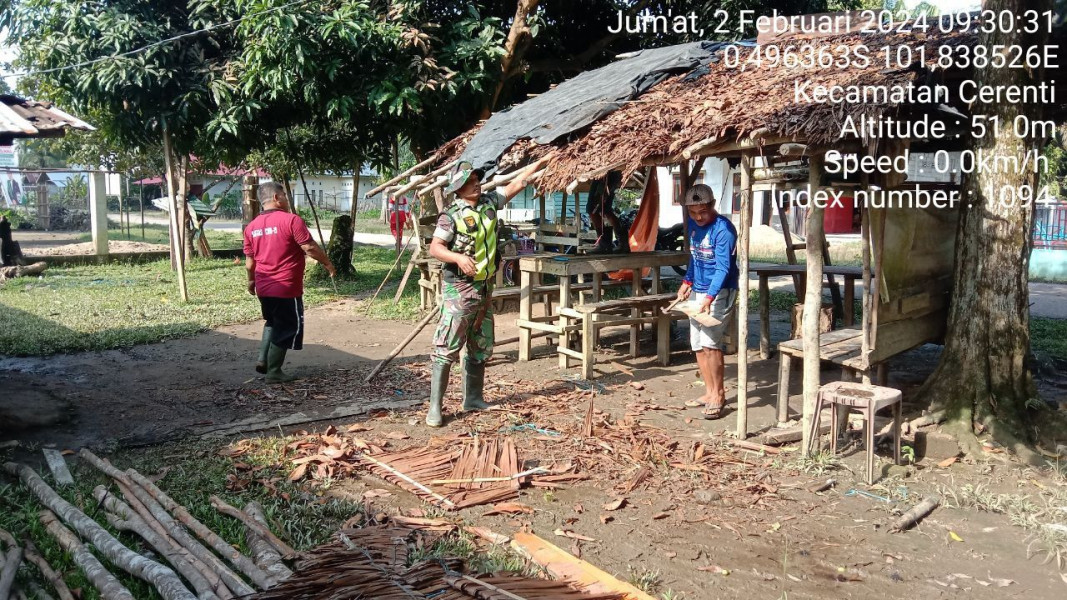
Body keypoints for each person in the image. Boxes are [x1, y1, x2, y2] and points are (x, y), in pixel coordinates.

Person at [426, 159, 545, 427]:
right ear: (458, 189)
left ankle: (474, 398)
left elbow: (516, 185)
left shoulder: (490, 203)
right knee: (447, 346)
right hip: (459, 288)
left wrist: (540, 164)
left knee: (480, 342)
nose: (476, 184)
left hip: (485, 287)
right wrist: (456, 257)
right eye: (469, 182)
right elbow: (435, 248)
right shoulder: (451, 215)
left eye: (477, 179)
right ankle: (435, 408)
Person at [243, 182, 336, 383]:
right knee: (286, 327)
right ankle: (274, 372)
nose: (287, 198)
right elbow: (309, 248)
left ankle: (263, 360)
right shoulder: (291, 220)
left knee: (272, 322)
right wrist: (328, 264)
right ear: (276, 198)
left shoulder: (251, 227)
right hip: (285, 287)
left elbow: (250, 262)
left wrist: (251, 282)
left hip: (264, 286)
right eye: (284, 195)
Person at [675, 183, 739, 419]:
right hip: (698, 290)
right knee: (698, 344)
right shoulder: (693, 226)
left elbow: (723, 268)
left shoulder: (724, 230)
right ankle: (709, 391)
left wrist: (710, 297)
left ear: (712, 206)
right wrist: (687, 281)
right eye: (693, 213)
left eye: (703, 211)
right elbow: (695, 258)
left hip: (720, 291)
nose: (698, 217)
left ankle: (719, 395)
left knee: (711, 343)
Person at [586, 171, 625, 254]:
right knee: (606, 210)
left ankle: (604, 245)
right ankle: (622, 244)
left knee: (591, 209)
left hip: (604, 175)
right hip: (612, 175)